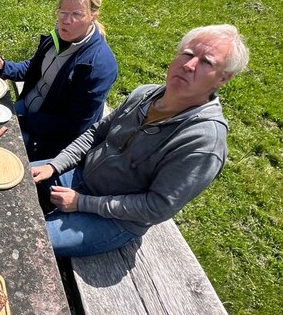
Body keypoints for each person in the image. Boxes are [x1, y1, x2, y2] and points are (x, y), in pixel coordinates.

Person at [31, 25, 248, 258]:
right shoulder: (144, 94)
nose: (189, 65)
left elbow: (156, 207)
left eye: (206, 62)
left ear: (223, 78)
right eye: (187, 54)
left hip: (115, 219)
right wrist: (54, 165)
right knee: (9, 179)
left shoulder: (203, 142)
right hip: (80, 175)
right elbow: (96, 132)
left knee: (28, 241)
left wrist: (81, 203)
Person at [0, 0, 117, 160]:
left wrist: (24, 121)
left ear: (93, 16)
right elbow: (34, 67)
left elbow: (74, 125)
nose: (66, 20)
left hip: (46, 139)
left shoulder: (97, 66)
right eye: (63, 12)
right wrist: (5, 67)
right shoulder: (60, 36)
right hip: (27, 109)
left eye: (77, 14)